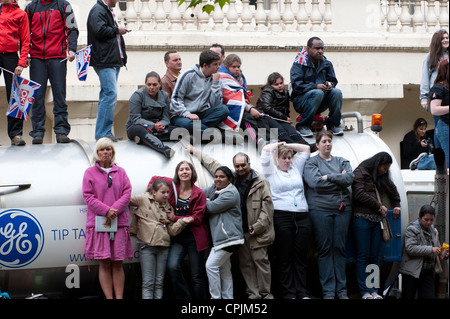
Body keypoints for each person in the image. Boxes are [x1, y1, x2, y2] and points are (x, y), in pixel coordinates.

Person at [187, 145, 275, 299]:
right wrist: (195, 152)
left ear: (249, 164)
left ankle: (265, 295)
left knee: (261, 263)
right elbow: (214, 165)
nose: (240, 168)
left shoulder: (260, 182)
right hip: (240, 230)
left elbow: (267, 208)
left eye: (243, 165)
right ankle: (253, 295)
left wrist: (258, 226)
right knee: (246, 264)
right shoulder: (232, 179)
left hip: (256, 230)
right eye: (237, 166)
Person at [303, 130, 354, 299]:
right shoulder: (311, 163)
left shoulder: (342, 161)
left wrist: (329, 177)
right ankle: (329, 292)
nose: (327, 144)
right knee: (324, 250)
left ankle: (342, 291)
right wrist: (339, 179)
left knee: (339, 249)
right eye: (324, 141)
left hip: (342, 210)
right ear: (317, 144)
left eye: (329, 141)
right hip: (320, 210)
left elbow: (349, 179)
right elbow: (315, 183)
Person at [148, 161, 209, 299]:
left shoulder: (198, 193)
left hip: (195, 238)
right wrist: (150, 195)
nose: (184, 172)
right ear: (177, 173)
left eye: (187, 169)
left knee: (196, 275)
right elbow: (154, 179)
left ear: (192, 172)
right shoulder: (171, 186)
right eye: (181, 169)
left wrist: (176, 217)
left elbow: (198, 218)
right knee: (172, 267)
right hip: (177, 236)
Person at [82, 137, 133, 299]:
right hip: (100, 224)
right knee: (104, 263)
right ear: (97, 153)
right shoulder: (89, 172)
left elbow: (127, 193)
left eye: (108, 149)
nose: (105, 152)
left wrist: (114, 210)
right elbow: (88, 196)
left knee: (118, 263)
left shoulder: (121, 171)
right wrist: (106, 211)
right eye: (102, 150)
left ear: (113, 152)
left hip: (118, 224)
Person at [261, 141, 312, 299]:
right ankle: (288, 293)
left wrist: (289, 145)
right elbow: (265, 150)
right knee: (284, 256)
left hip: (302, 215)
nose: (288, 160)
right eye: (284, 157)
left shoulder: (296, 169)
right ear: (277, 159)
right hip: (281, 215)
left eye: (290, 157)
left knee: (300, 255)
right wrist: (279, 144)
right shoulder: (270, 171)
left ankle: (302, 292)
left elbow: (306, 149)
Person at [129, 178, 193, 299]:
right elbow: (125, 200)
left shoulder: (168, 208)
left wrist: (181, 222)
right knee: (148, 283)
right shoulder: (143, 199)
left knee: (159, 283)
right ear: (154, 192)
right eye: (162, 192)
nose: (166, 195)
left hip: (163, 248)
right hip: (147, 246)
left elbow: (171, 231)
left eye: (167, 192)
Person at [25, 0, 78, 144]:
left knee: (59, 95)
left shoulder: (64, 5)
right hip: (36, 58)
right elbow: (24, 33)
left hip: (58, 58)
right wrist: (24, 55)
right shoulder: (31, 7)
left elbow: (72, 29)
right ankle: (37, 132)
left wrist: (72, 49)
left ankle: (61, 131)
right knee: (37, 97)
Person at [352, 151, 401, 299]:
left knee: (375, 256)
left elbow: (393, 190)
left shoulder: (381, 176)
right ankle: (364, 291)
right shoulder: (360, 172)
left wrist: (397, 204)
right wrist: (379, 206)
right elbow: (358, 194)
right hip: (361, 219)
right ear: (377, 164)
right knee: (363, 256)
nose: (385, 171)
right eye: (384, 168)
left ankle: (373, 290)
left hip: (376, 221)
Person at [87, 0, 129, 142]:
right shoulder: (98, 10)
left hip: (111, 60)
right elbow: (99, 30)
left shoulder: (104, 10)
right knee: (110, 93)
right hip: (105, 60)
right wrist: (118, 30)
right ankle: (103, 133)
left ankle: (103, 132)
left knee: (107, 94)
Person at [203, 165, 244, 299]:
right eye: (216, 176)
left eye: (222, 176)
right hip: (221, 239)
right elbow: (200, 192)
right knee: (225, 271)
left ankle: (215, 297)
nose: (217, 179)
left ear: (230, 179)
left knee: (210, 266)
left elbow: (210, 207)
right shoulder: (216, 189)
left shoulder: (230, 193)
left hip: (229, 239)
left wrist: (205, 200)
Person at [290, 36, 343, 137]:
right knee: (317, 92)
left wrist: (329, 85)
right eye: (317, 48)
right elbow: (297, 86)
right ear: (308, 48)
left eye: (322, 48)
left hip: (320, 100)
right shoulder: (299, 64)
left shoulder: (327, 64)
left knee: (337, 92)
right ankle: (303, 126)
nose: (320, 51)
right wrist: (316, 86)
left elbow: (333, 81)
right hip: (301, 101)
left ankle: (333, 125)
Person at [170, 50, 229, 135]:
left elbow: (216, 105)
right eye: (215, 64)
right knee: (187, 124)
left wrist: (215, 84)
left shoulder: (216, 78)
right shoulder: (187, 75)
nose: (218, 67)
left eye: (219, 64)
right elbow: (175, 99)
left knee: (224, 110)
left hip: (201, 115)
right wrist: (187, 114)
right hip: (181, 115)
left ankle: (198, 130)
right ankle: (216, 135)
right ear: (205, 65)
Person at [218, 54, 270, 143]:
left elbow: (240, 96)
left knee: (261, 115)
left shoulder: (240, 78)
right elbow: (229, 98)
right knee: (248, 118)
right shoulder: (222, 77)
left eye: (238, 66)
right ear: (227, 67)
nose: (237, 69)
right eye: (233, 66)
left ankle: (267, 140)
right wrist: (249, 109)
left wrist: (251, 107)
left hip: (243, 106)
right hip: (232, 109)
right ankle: (257, 140)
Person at [0, 0, 30, 146]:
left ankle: (15, 134)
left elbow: (25, 39)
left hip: (11, 56)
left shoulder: (21, 14)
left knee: (14, 95)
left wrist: (21, 63)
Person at [399, 205, 445, 299]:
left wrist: (443, 253)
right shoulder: (411, 229)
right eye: (426, 219)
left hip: (428, 272)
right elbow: (410, 249)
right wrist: (431, 249)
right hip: (411, 272)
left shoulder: (433, 230)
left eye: (431, 220)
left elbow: (437, 247)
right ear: (420, 217)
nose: (429, 222)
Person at [126, 71, 175, 158]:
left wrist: (161, 124)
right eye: (149, 84)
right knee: (140, 130)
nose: (151, 87)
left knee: (178, 129)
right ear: (145, 84)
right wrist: (153, 126)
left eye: (154, 84)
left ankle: (145, 139)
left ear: (160, 84)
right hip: (137, 126)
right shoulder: (137, 95)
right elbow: (135, 119)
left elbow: (166, 117)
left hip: (158, 128)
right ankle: (164, 149)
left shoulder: (164, 96)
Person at [256, 72, 310, 145]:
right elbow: (267, 108)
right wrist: (285, 118)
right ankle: (291, 147)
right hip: (267, 117)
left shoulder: (285, 92)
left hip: (280, 118)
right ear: (270, 85)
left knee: (292, 131)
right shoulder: (267, 91)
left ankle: (305, 145)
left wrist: (287, 119)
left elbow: (286, 108)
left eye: (281, 83)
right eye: (276, 84)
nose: (280, 86)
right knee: (280, 130)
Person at [420, 29, 448, 150]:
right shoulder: (430, 57)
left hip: (448, 93)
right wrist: (423, 97)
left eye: (447, 38)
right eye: (443, 38)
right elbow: (425, 76)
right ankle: (440, 157)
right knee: (439, 126)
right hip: (437, 94)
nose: (446, 40)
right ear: (438, 41)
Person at [429, 57, 449, 168]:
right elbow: (434, 110)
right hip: (446, 127)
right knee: (448, 161)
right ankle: (423, 161)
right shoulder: (438, 88)